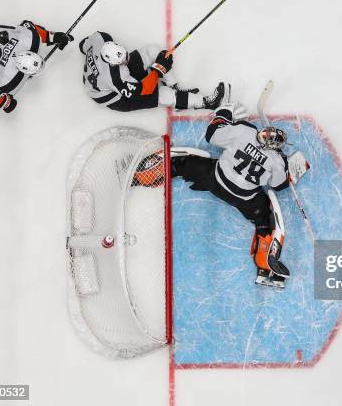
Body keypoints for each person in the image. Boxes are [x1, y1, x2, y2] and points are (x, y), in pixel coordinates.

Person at [171, 102, 292, 288]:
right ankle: (265, 268)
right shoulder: (276, 161)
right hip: (243, 199)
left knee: (182, 164)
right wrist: (283, 161)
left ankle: (148, 174)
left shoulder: (245, 131)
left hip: (215, 179)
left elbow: (211, 134)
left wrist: (224, 113)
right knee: (265, 221)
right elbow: (280, 184)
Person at [78, 31, 227, 112]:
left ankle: (174, 86)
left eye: (125, 55)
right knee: (161, 94)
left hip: (106, 77)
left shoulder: (100, 38)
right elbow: (144, 90)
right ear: (112, 64)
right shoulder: (115, 77)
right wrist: (157, 70)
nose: (126, 61)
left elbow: (82, 45)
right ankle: (207, 102)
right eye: (122, 62)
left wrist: (158, 66)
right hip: (113, 96)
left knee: (153, 52)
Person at [0, 20, 73, 112]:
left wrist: (53, 37)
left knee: (17, 33)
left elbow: (27, 25)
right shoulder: (6, 78)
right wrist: (3, 102)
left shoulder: (30, 39)